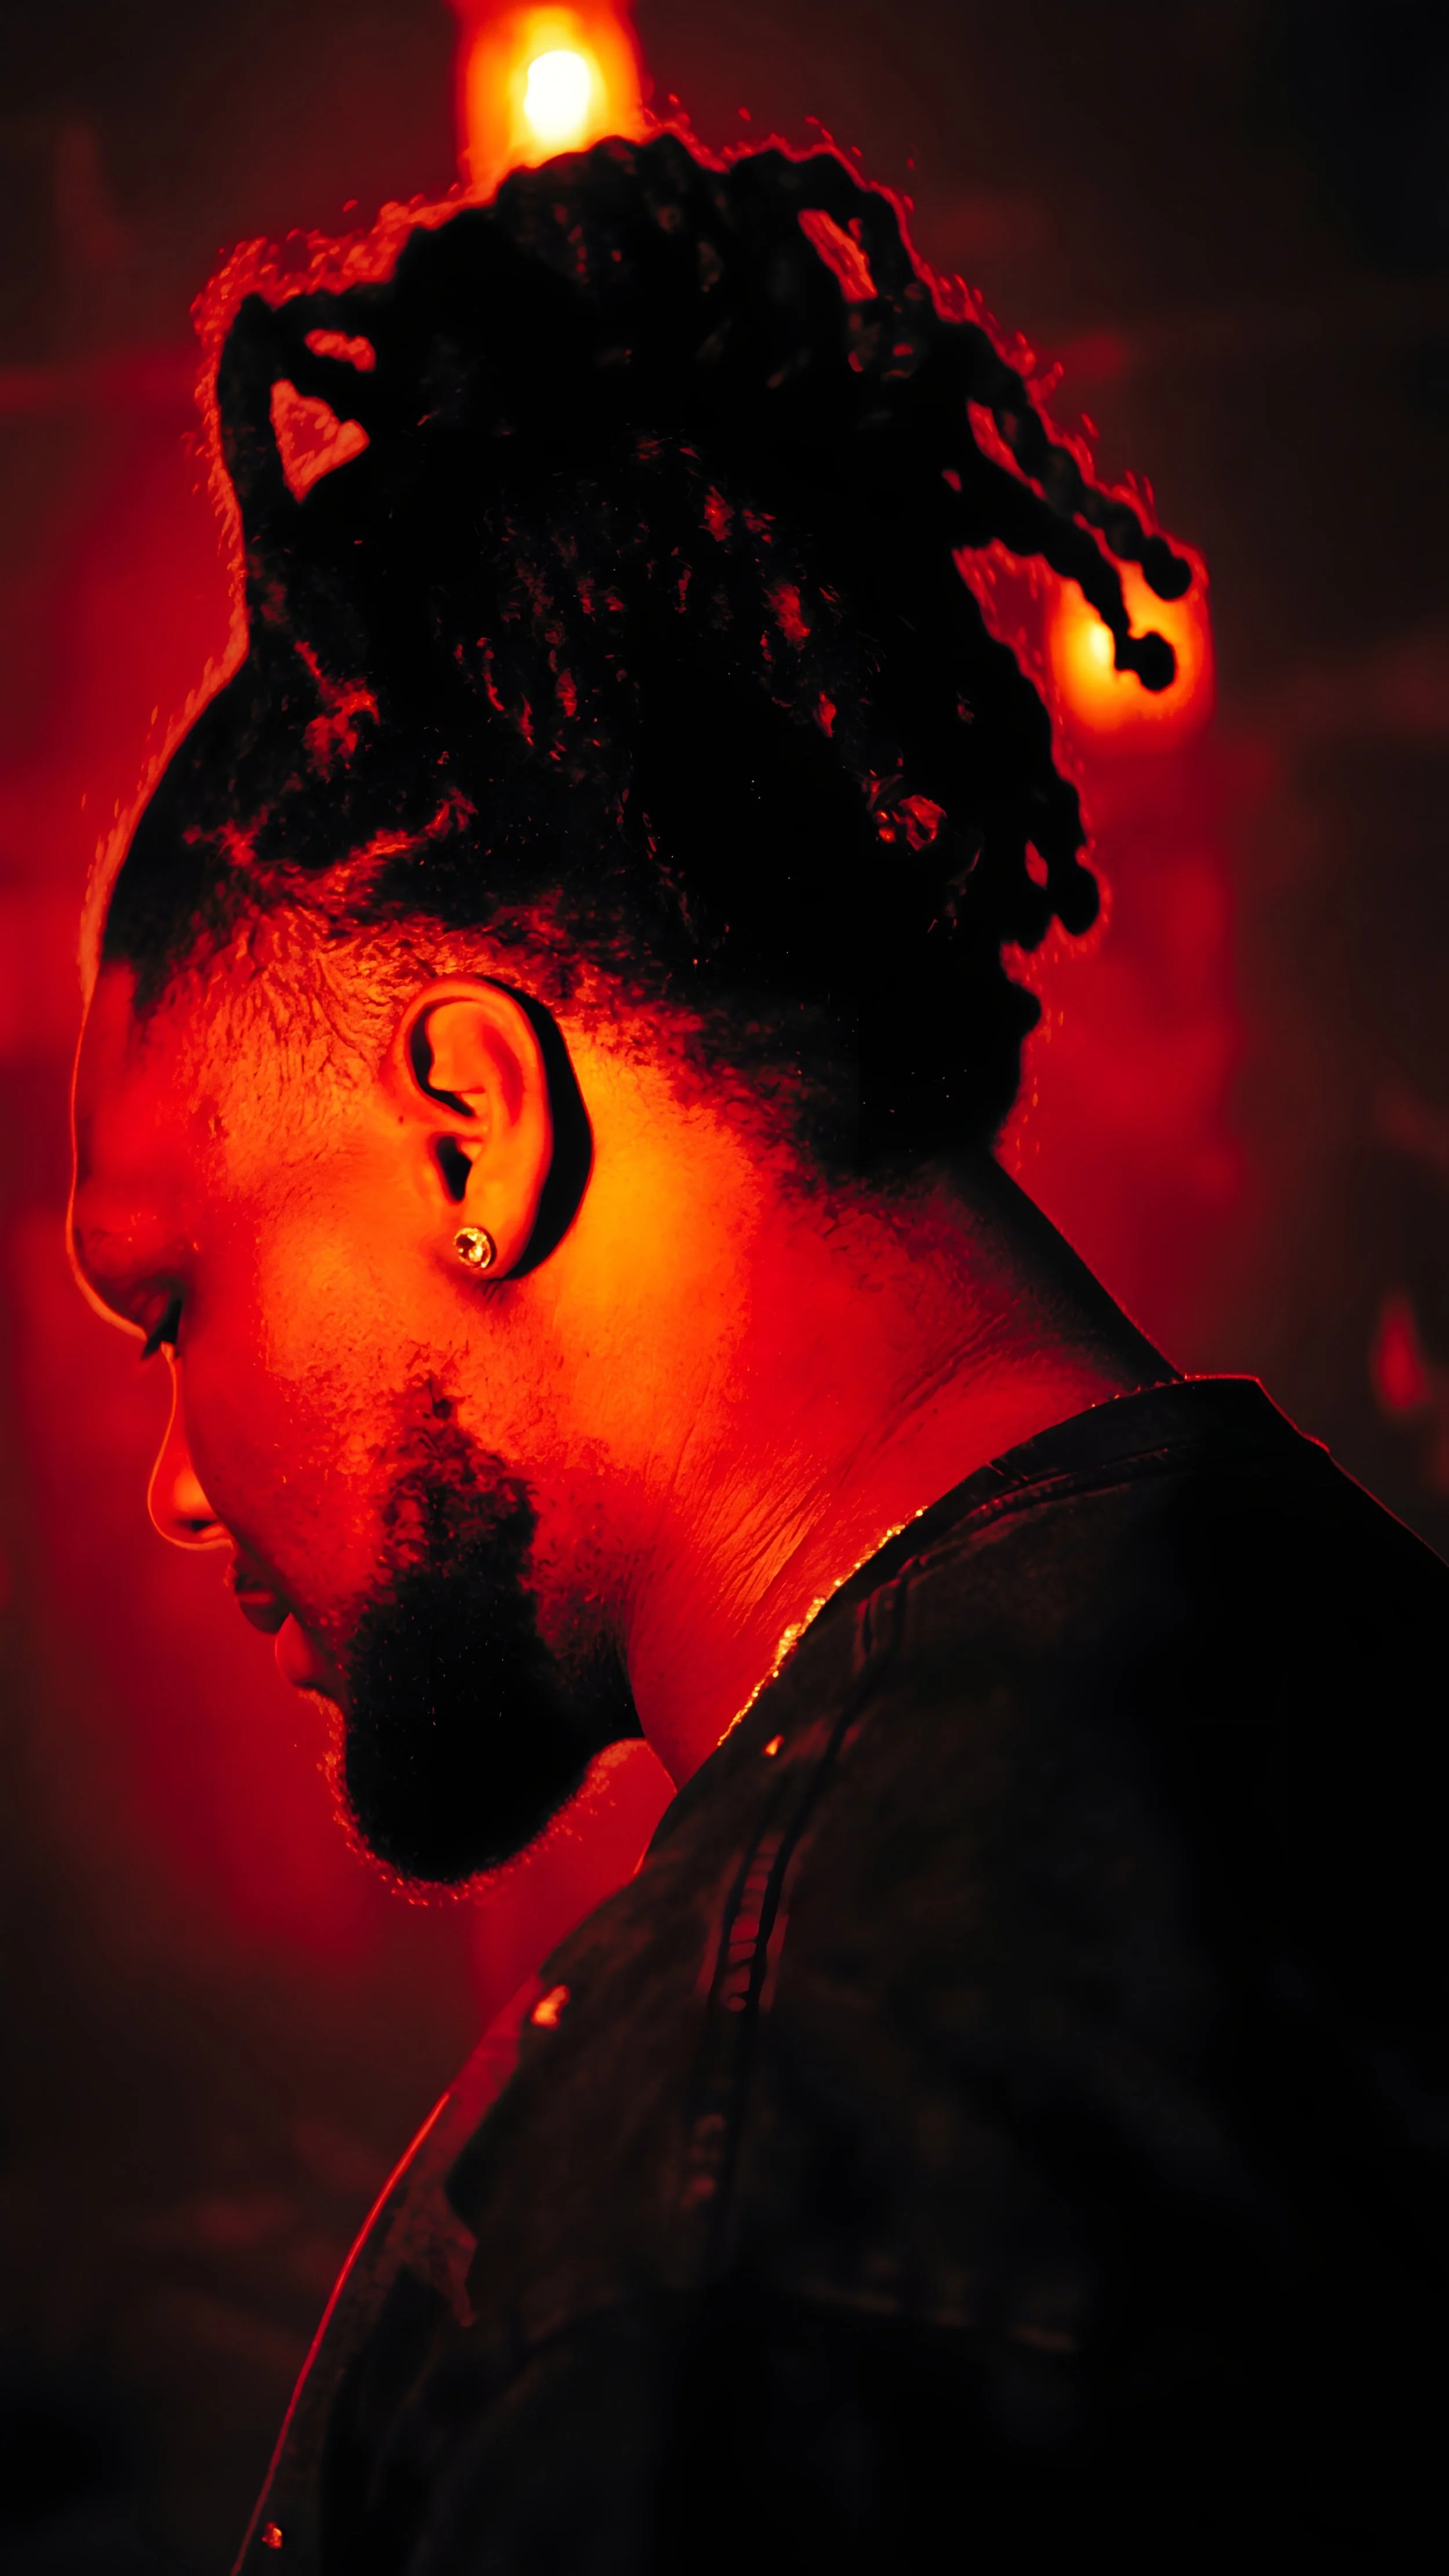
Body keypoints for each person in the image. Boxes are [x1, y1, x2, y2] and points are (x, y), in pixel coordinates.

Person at [69, 133, 1448, 2573]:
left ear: (474, 1125)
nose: (174, 1479)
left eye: (171, 1294)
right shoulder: (1353, 1680)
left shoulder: (744, 2181)